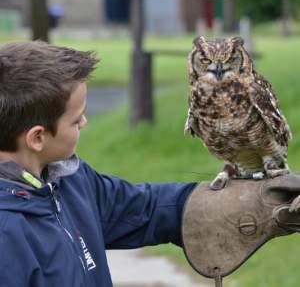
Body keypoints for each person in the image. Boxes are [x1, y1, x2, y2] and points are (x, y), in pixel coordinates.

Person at [0, 41, 197, 287]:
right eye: (75, 119)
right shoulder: (7, 235)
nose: (84, 121)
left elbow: (142, 209)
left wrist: (205, 202)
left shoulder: (69, 179)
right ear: (37, 138)